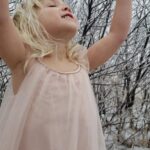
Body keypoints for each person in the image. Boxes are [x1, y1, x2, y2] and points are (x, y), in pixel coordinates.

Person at [0, 0, 132, 150]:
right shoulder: (23, 60)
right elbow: (2, 20)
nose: (65, 6)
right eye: (52, 5)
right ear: (28, 22)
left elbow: (117, 35)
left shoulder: (82, 62)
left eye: (65, 5)